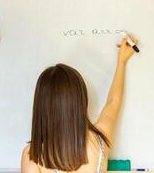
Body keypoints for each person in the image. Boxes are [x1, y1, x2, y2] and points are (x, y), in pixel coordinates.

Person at [21, 35, 138, 173]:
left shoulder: (33, 156)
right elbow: (113, 101)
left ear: (41, 108)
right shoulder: (100, 141)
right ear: (81, 101)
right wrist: (121, 62)